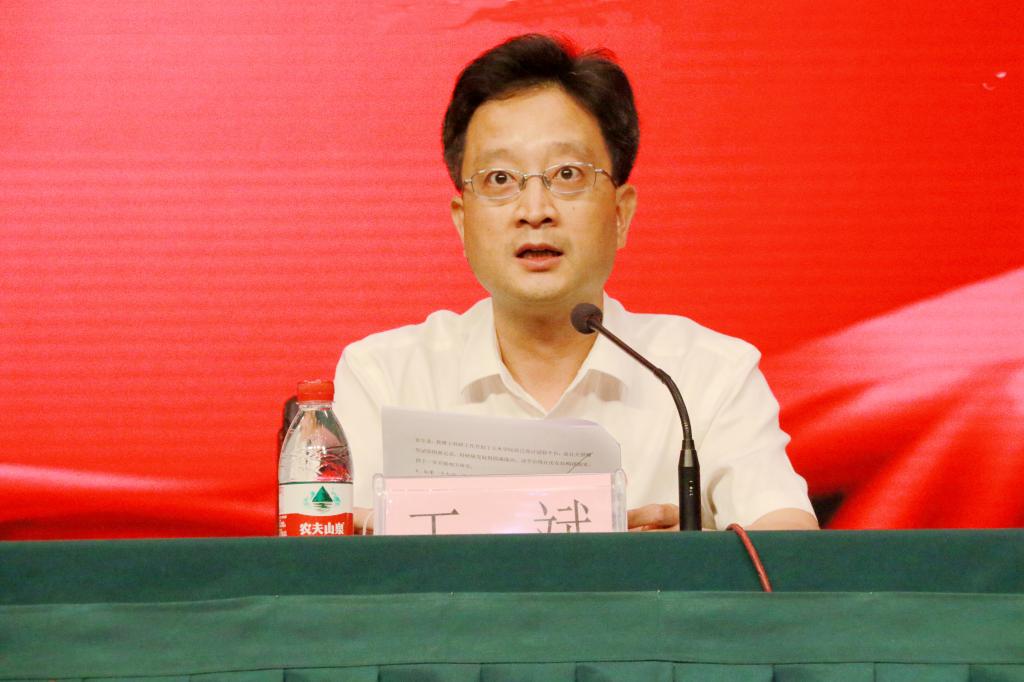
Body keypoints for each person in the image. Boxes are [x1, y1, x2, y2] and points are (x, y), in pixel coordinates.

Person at [334, 34, 818, 533]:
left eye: (567, 174)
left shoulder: (704, 374)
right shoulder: (385, 376)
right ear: (462, 221)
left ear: (621, 213)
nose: (535, 211)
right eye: (500, 179)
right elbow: (331, 547)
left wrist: (683, 562)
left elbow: (789, 537)